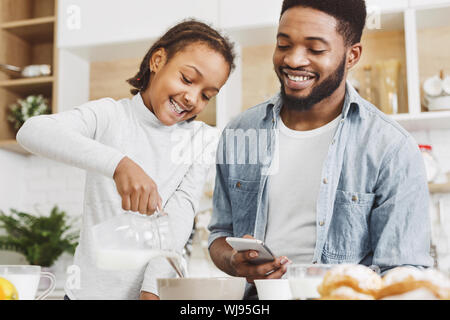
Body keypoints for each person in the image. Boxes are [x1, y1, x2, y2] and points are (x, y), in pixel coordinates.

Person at [208, 0, 433, 299]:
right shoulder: (240, 132)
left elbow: (403, 274)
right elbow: (219, 235)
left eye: (315, 49)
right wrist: (236, 262)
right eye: (283, 44)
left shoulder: (391, 148)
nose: (294, 60)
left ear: (352, 55)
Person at [17, 19, 235, 300]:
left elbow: (179, 217)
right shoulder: (110, 116)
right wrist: (120, 164)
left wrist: (152, 288)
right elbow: (32, 131)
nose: (193, 98)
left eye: (207, 95)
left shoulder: (201, 139)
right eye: (187, 79)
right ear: (158, 60)